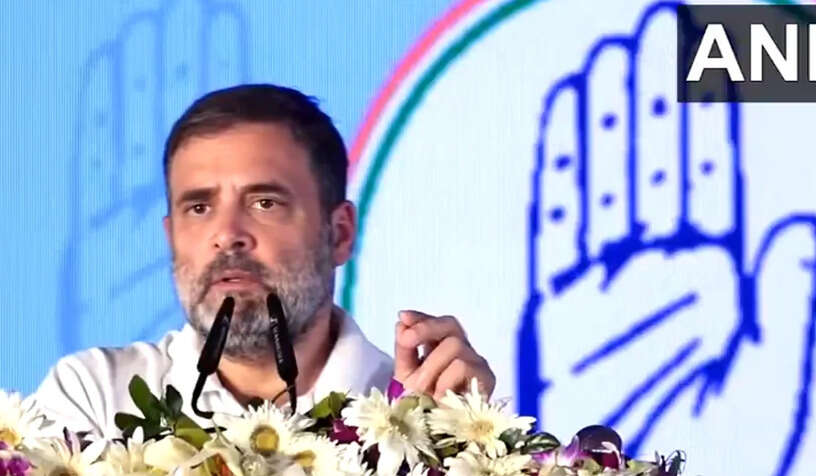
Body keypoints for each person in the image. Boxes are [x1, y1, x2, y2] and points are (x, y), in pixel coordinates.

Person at [34, 84, 496, 437]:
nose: (227, 235)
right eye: (199, 207)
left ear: (339, 234)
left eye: (265, 203)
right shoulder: (95, 397)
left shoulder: (422, 413)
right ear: (171, 237)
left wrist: (450, 445)